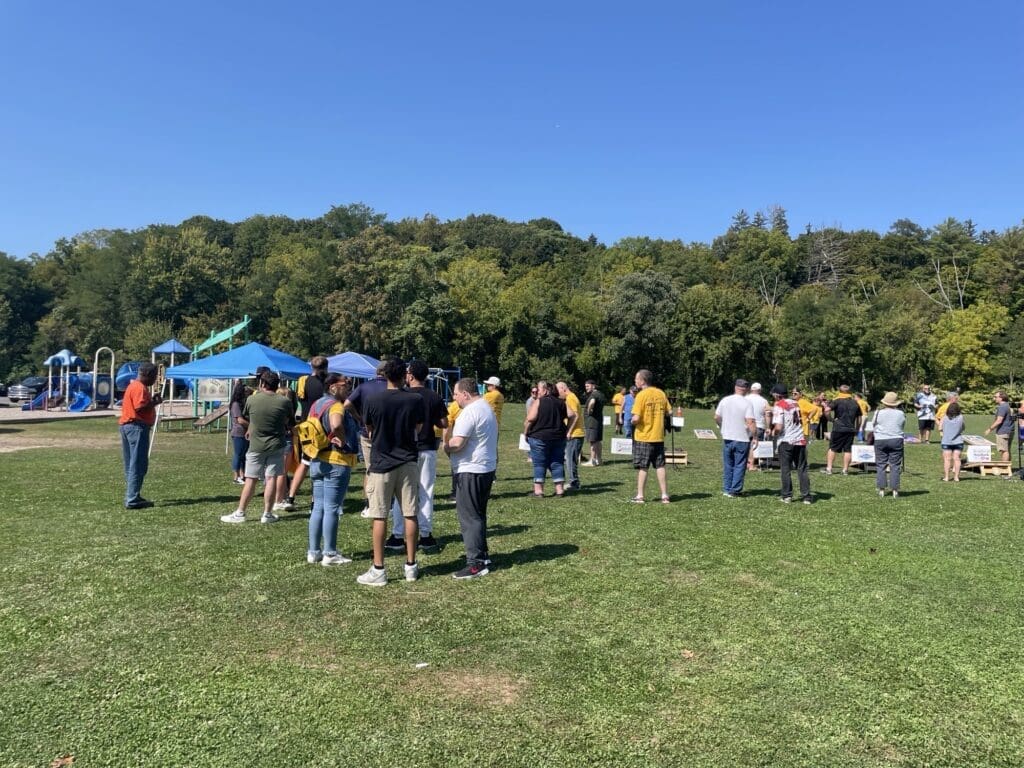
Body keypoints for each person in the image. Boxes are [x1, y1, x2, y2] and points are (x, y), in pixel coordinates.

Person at [356, 358, 424, 587]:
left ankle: (379, 568)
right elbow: (419, 427)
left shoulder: (373, 399)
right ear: (405, 375)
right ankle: (411, 565)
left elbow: (369, 429)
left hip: (382, 462)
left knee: (379, 514)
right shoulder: (415, 399)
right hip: (408, 461)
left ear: (385, 375)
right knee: (410, 513)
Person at [385, 360, 448, 553]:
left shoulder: (402, 395)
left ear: (410, 376)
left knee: (400, 494)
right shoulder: (433, 396)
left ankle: (397, 535)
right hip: (427, 447)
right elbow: (444, 422)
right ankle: (426, 535)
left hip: (405, 449)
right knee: (426, 491)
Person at [221, 370, 295, 524]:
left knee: (251, 480)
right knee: (271, 478)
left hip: (256, 445)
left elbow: (249, 418)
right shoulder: (284, 402)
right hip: (277, 444)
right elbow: (289, 422)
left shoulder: (251, 400)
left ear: (263, 383)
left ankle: (241, 512)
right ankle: (267, 513)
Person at [445, 377, 499, 579]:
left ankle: (475, 563)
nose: (454, 398)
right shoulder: (486, 407)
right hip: (485, 467)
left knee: (469, 516)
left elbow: (458, 443)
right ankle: (482, 555)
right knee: (478, 513)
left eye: (456, 394)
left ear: (465, 394)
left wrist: (445, 445)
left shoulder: (470, 412)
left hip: (470, 469)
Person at [307, 374, 359, 565]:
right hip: (336, 461)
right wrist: (343, 440)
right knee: (332, 508)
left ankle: (313, 551)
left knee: (318, 507)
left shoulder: (316, 405)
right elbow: (336, 424)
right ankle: (330, 553)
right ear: (333, 387)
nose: (348, 388)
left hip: (317, 460)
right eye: (345, 385)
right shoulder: (336, 405)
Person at [284, 355, 330, 509]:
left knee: (304, 463)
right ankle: (314, 501)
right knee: (321, 465)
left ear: (311, 367)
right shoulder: (328, 384)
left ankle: (290, 497)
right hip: (322, 427)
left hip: (306, 426)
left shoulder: (303, 382)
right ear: (326, 367)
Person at [343, 361, 389, 517]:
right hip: (387, 433)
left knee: (370, 468)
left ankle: (369, 503)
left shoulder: (364, 387)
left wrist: (359, 418)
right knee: (388, 466)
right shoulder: (392, 387)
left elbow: (347, 403)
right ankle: (386, 502)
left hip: (366, 431)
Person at [118, 361, 162, 509]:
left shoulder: (132, 385)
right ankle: (132, 498)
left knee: (131, 464)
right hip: (136, 427)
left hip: (127, 426)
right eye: (155, 376)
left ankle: (133, 494)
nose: (155, 379)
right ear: (148, 375)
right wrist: (154, 403)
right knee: (138, 464)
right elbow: (140, 408)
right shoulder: (140, 388)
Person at [629, 369, 672, 504]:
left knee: (643, 467)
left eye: (636, 379)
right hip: (658, 436)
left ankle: (640, 495)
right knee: (660, 466)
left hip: (644, 436)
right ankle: (664, 495)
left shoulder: (641, 396)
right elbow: (669, 412)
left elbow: (636, 418)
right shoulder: (661, 393)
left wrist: (632, 421)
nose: (635, 381)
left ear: (642, 381)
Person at [524, 380, 569, 498]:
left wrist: (526, 432)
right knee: (557, 462)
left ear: (545, 390)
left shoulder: (539, 401)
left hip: (540, 437)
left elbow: (530, 418)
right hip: (558, 437)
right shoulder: (561, 402)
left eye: (539, 389)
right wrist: (568, 429)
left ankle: (538, 491)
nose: (537, 392)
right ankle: (560, 490)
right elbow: (573, 415)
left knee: (539, 463)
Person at [714, 379, 757, 498]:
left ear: (735, 387)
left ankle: (727, 489)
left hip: (727, 437)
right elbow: (750, 421)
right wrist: (755, 436)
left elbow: (717, 417)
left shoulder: (725, 400)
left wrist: (722, 426)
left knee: (728, 464)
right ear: (746, 389)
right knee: (740, 465)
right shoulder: (747, 403)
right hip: (742, 437)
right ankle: (735, 490)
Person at [770, 384, 812, 504]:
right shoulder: (795, 403)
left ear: (777, 395)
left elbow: (778, 427)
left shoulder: (779, 405)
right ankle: (806, 496)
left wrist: (773, 432)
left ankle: (787, 495)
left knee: (785, 469)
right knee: (802, 469)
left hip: (786, 440)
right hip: (800, 439)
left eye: (773, 394)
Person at [873, 391, 906, 498]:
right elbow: (902, 425)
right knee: (895, 465)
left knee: (880, 464)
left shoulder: (878, 412)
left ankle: (881, 489)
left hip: (880, 440)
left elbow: (874, 424)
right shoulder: (900, 413)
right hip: (896, 439)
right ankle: (895, 490)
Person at [823, 384, 861, 475]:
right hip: (850, 429)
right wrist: (857, 428)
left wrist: (830, 419)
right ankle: (845, 470)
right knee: (848, 450)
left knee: (832, 448)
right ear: (850, 392)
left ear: (839, 391)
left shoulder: (837, 401)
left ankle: (829, 469)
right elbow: (859, 417)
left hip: (838, 428)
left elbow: (826, 410)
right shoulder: (855, 402)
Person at [557, 381, 584, 491]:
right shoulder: (571, 397)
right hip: (575, 433)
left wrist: (569, 431)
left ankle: (574, 483)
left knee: (570, 460)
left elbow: (575, 416)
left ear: (563, 388)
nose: (558, 394)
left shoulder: (570, 398)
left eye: (558, 391)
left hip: (575, 434)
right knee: (569, 459)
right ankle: (573, 481)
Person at [744, 382, 770, 471]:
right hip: (759, 425)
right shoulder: (764, 401)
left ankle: (744, 463)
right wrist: (768, 427)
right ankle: (751, 465)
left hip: (745, 425)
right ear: (760, 390)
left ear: (751, 389)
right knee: (754, 446)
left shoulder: (745, 398)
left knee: (744, 444)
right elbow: (768, 414)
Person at [228, 380, 250, 485]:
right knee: (238, 454)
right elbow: (239, 420)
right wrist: (251, 426)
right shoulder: (236, 404)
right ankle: (236, 477)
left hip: (245, 432)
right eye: (245, 392)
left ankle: (243, 475)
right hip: (238, 433)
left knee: (244, 456)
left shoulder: (243, 404)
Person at [984, 391, 1013, 462]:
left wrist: (990, 429)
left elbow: (999, 420)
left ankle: (1004, 468)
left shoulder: (1002, 407)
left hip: (1003, 431)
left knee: (1004, 450)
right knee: (1007, 449)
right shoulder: (1008, 405)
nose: (994, 398)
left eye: (996, 397)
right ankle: (1008, 468)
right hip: (1010, 430)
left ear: (1001, 398)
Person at [583, 379, 606, 466]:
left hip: (592, 421)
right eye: (585, 386)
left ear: (593, 385)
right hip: (599, 420)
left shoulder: (593, 394)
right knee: (598, 440)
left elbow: (592, 402)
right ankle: (599, 460)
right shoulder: (600, 394)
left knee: (593, 441)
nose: (586, 388)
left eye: (588, 386)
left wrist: (589, 410)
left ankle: (592, 461)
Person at [940, 401, 965, 482]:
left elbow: (940, 428)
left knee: (947, 459)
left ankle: (946, 477)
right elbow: (963, 428)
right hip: (958, 441)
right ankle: (956, 477)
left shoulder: (944, 417)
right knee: (957, 459)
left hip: (946, 441)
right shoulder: (961, 417)